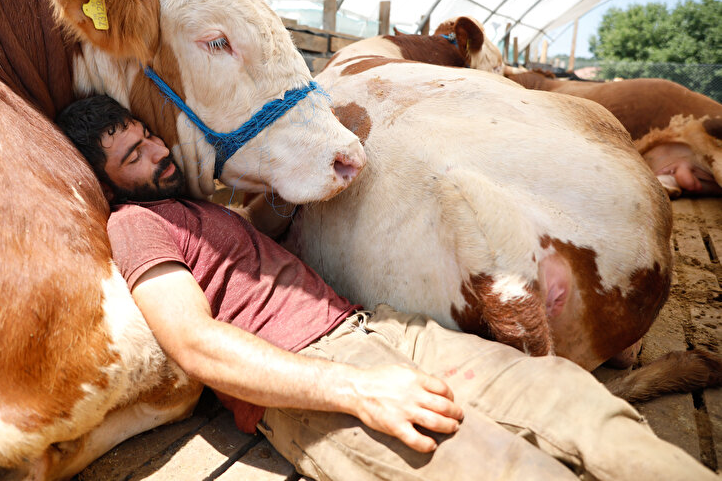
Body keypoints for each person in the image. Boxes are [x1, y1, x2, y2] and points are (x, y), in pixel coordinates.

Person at [56, 94, 716, 481]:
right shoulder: (135, 224)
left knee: (567, 396)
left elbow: (262, 232)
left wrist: (316, 164)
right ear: (110, 181)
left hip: (381, 327)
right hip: (315, 378)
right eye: (134, 155)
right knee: (496, 466)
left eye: (147, 136)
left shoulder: (204, 208)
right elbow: (194, 343)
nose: (157, 152)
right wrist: (357, 388)